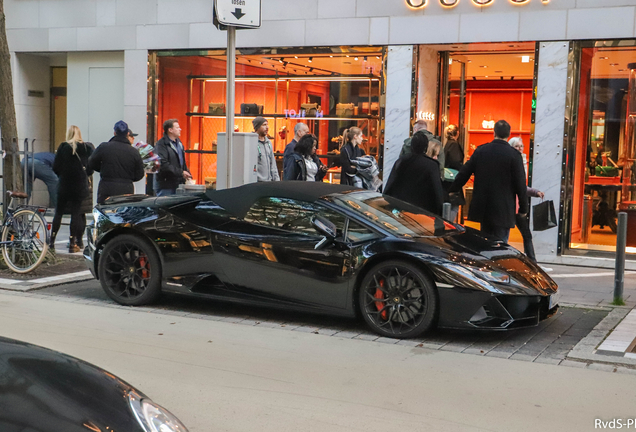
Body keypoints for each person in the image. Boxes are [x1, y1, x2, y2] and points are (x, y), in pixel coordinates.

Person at [449, 120, 527, 243]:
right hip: (504, 208)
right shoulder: (514, 155)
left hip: (484, 207)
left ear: (494, 132)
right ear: (508, 134)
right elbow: (520, 185)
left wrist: (453, 189)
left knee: (484, 243)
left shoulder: (481, 151)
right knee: (500, 247)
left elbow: (464, 172)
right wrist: (523, 208)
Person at [51, 125, 93, 253]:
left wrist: (63, 175)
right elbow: (90, 167)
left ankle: (51, 241)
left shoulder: (63, 147)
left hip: (64, 185)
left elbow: (55, 167)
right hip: (79, 185)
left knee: (58, 212)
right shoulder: (86, 148)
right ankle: (72, 242)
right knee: (76, 214)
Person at [385, 131, 444, 215]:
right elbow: (437, 191)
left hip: (401, 208)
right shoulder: (432, 165)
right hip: (423, 211)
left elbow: (391, 184)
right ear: (426, 147)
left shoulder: (402, 161)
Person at [89, 121, 145, 204]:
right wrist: (129, 178)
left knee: (106, 213)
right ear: (127, 133)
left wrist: (103, 169)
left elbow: (91, 163)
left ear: (114, 133)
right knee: (123, 213)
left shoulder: (104, 147)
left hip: (106, 186)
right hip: (126, 188)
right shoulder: (133, 152)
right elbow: (139, 174)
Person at [509, 137, 545, 262]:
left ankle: (532, 261)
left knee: (526, 234)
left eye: (521, 146)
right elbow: (519, 186)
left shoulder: (523, 162)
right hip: (511, 204)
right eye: (516, 146)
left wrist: (535, 192)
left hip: (518, 204)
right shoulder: (512, 162)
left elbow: (521, 187)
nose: (519, 148)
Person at [154, 119, 191, 196]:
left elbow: (182, 162)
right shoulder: (161, 145)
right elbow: (163, 164)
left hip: (178, 184)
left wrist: (187, 173)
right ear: (170, 130)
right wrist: (181, 172)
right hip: (166, 185)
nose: (180, 129)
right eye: (177, 127)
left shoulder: (179, 144)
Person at [443, 124, 465, 221]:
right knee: (454, 206)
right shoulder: (454, 145)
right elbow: (455, 161)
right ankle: (448, 226)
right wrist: (464, 169)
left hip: (447, 178)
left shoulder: (447, 144)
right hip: (452, 179)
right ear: (458, 133)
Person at [253, 116, 280, 182]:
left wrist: (277, 180)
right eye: (264, 125)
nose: (267, 127)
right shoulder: (252, 142)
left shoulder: (268, 143)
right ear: (257, 127)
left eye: (267, 125)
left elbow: (273, 164)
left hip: (269, 182)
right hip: (257, 183)